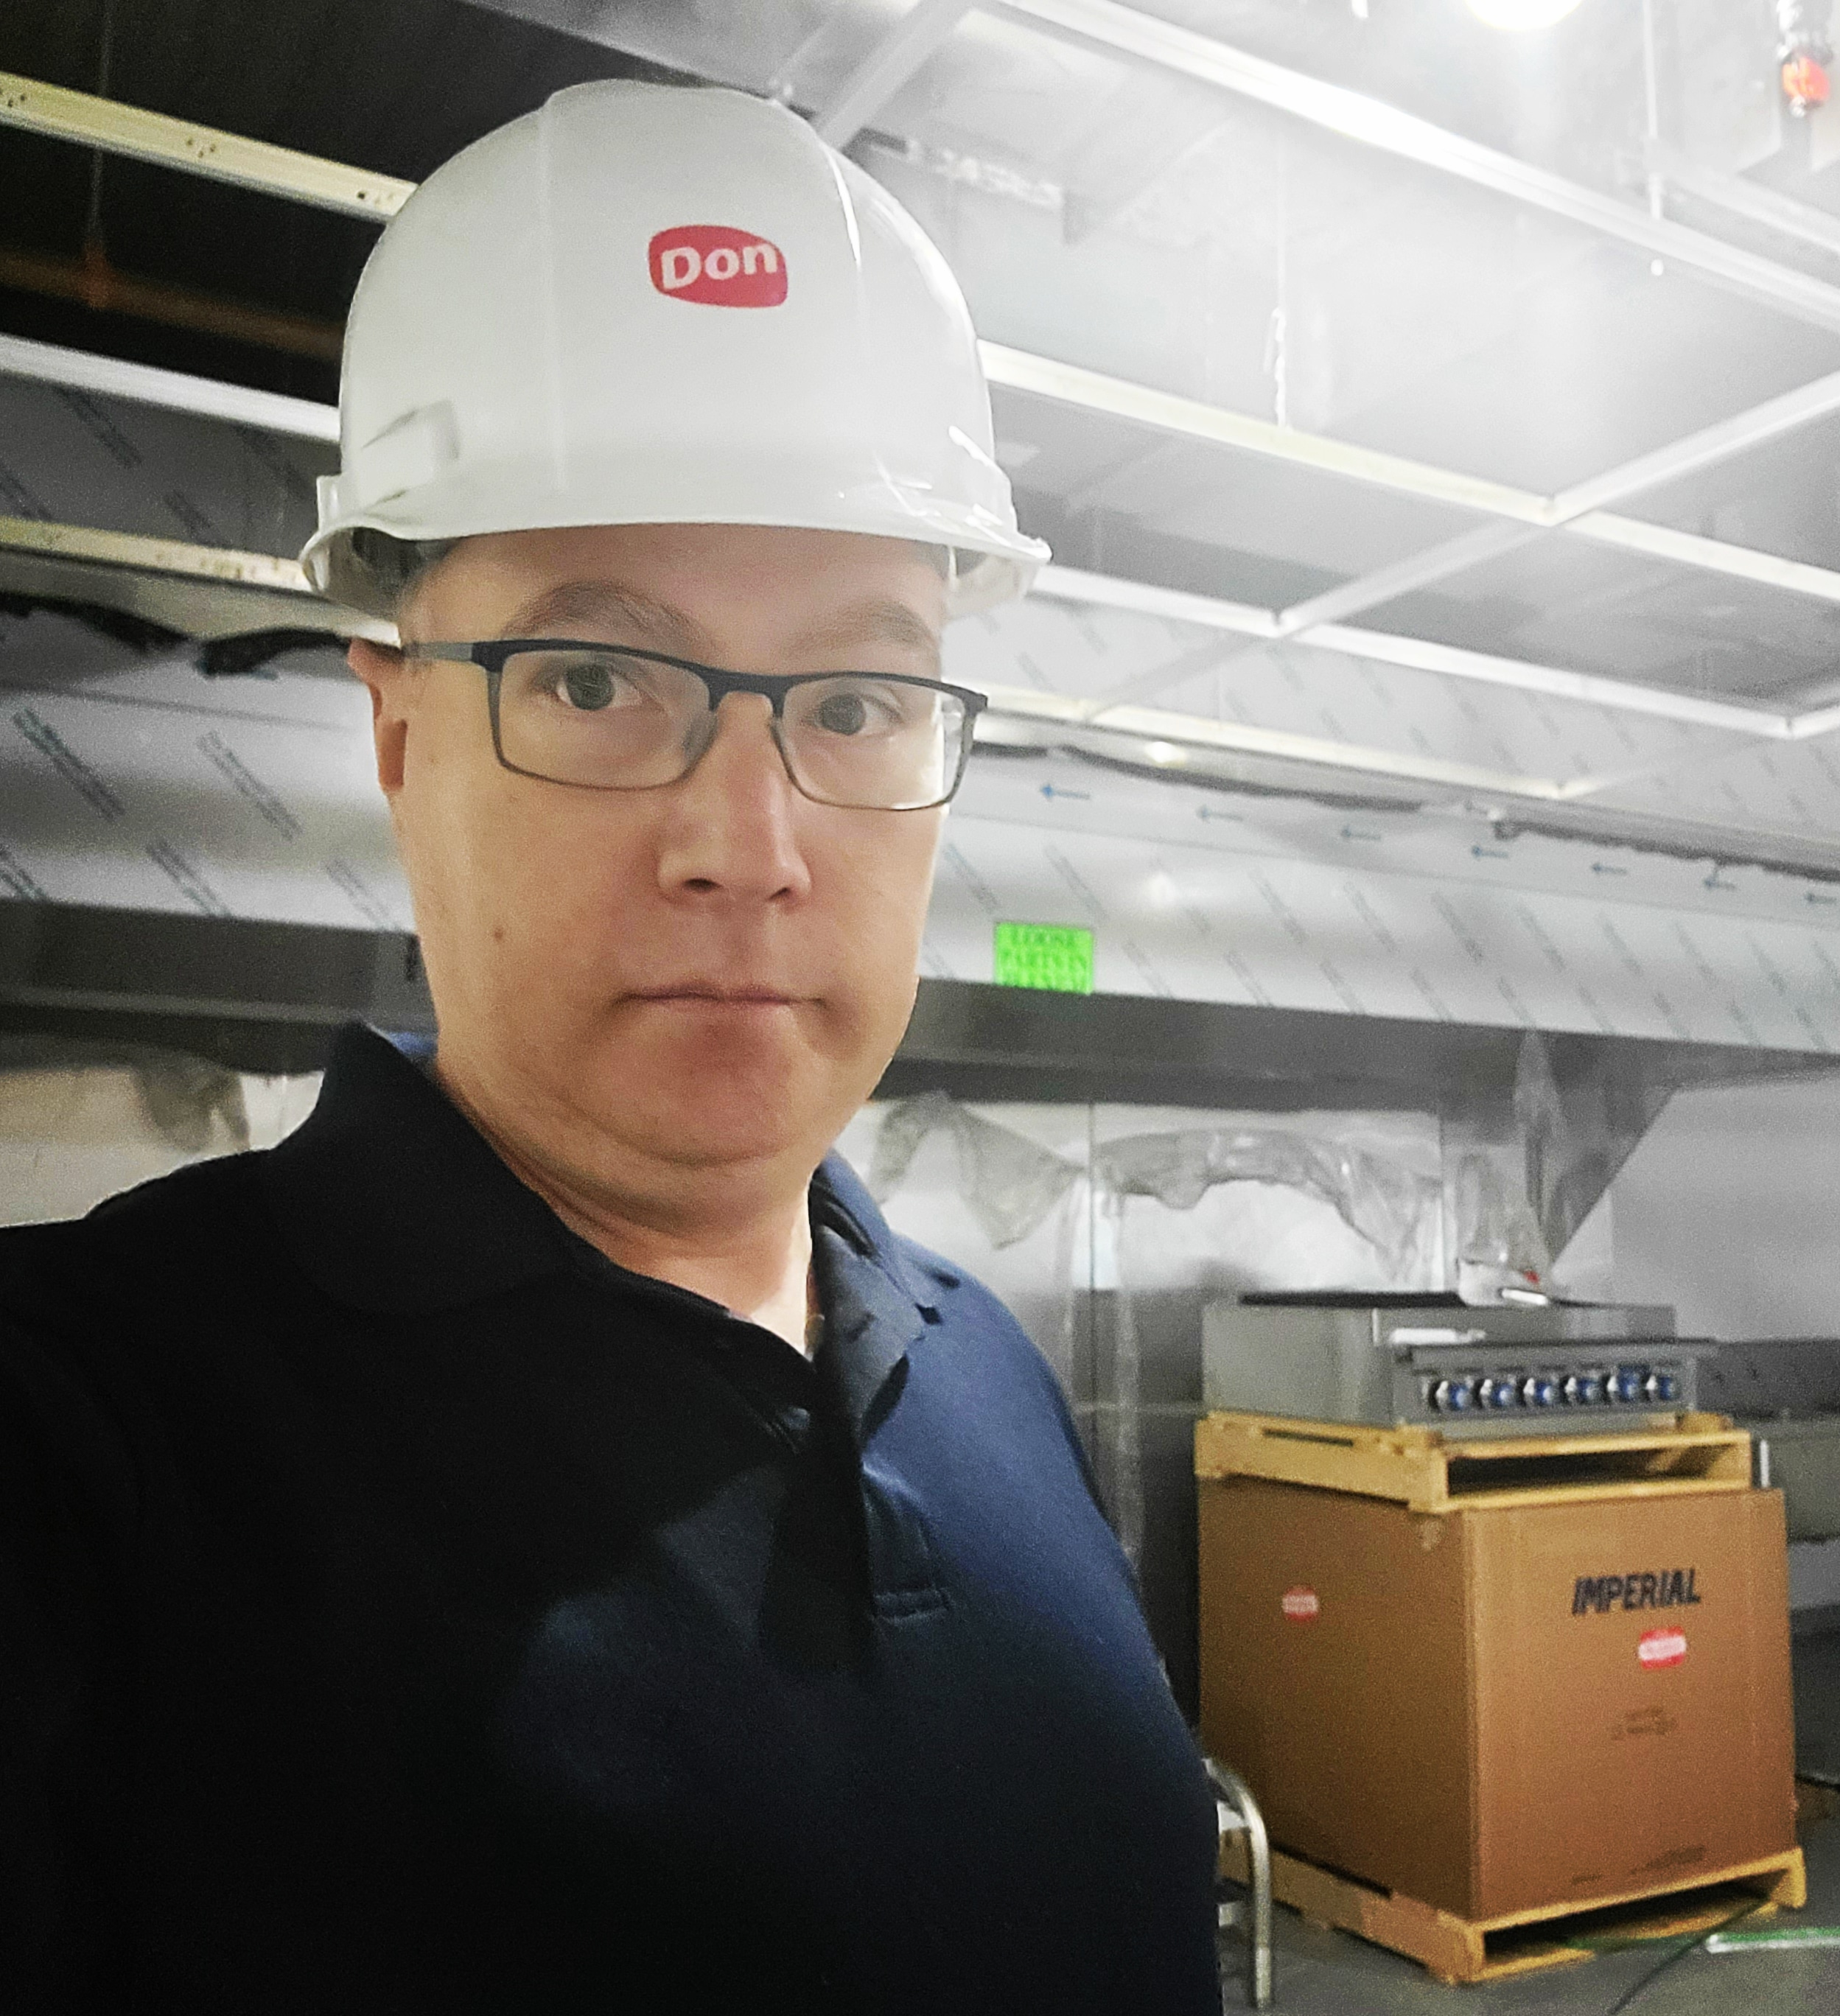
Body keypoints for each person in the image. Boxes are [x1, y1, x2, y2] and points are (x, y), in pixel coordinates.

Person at [0, 81, 1218, 2014]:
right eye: (593, 676)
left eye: (862, 695)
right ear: (397, 739)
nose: (748, 845)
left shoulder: (984, 1363)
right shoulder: (86, 1441)